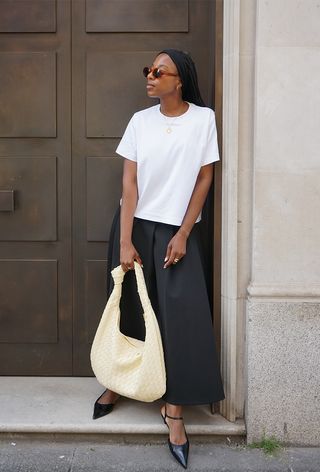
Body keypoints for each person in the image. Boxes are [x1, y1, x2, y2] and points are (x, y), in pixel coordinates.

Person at [92, 48, 225, 469]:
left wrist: (185, 232)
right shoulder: (139, 121)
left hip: (178, 233)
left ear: (179, 79)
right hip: (136, 227)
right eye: (148, 70)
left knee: (179, 318)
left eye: (158, 71)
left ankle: (175, 413)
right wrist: (125, 242)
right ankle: (119, 384)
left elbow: (205, 177)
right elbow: (128, 185)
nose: (149, 76)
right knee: (130, 308)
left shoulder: (203, 120)